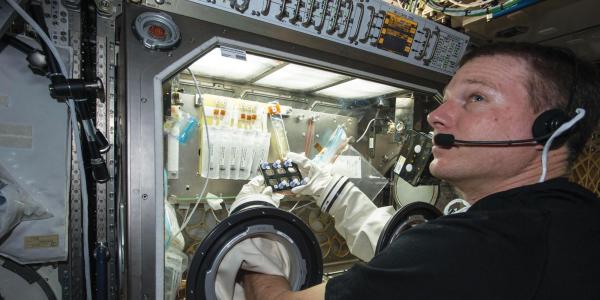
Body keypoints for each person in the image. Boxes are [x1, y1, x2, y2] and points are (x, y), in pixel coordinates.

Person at [237, 42, 600, 300]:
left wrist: (250, 231)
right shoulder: (575, 220)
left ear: (550, 127)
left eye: (476, 98)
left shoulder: (471, 246)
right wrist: (330, 187)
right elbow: (402, 258)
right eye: (445, 99)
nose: (435, 116)